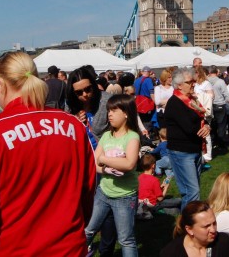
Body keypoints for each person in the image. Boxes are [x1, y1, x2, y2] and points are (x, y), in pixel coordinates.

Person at [0, 52, 97, 256]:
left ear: (0, 83)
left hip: (15, 249)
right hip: (70, 247)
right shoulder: (73, 125)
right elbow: (88, 191)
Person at [84, 93, 141, 257]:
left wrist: (103, 159)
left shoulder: (132, 137)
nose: (109, 114)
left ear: (126, 113)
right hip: (103, 193)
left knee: (126, 240)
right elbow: (94, 164)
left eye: (114, 110)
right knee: (88, 231)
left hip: (125, 197)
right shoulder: (107, 136)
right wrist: (105, 169)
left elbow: (129, 163)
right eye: (109, 110)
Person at [165, 68, 211, 210]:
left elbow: (202, 118)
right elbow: (190, 127)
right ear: (179, 85)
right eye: (189, 82)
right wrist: (204, 129)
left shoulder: (191, 101)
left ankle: (189, 222)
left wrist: (207, 126)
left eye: (193, 81)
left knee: (192, 190)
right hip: (182, 152)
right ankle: (188, 224)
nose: (193, 83)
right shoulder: (175, 103)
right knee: (192, 191)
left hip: (194, 150)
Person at [160, 201, 229, 257]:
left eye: (214, 223)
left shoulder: (223, 241)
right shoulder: (171, 253)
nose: (213, 230)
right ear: (189, 230)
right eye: (206, 226)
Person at [66, 65, 112, 141]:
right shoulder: (70, 105)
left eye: (88, 89)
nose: (84, 94)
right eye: (79, 92)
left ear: (93, 85)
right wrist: (74, 122)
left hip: (104, 150)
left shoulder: (107, 101)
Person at [137, 154, 181, 219]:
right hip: (153, 204)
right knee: (179, 201)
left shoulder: (139, 177)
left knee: (175, 209)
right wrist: (166, 188)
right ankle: (157, 210)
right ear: (153, 166)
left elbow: (149, 190)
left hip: (142, 203)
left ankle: (157, 211)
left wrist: (160, 187)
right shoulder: (154, 180)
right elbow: (160, 199)